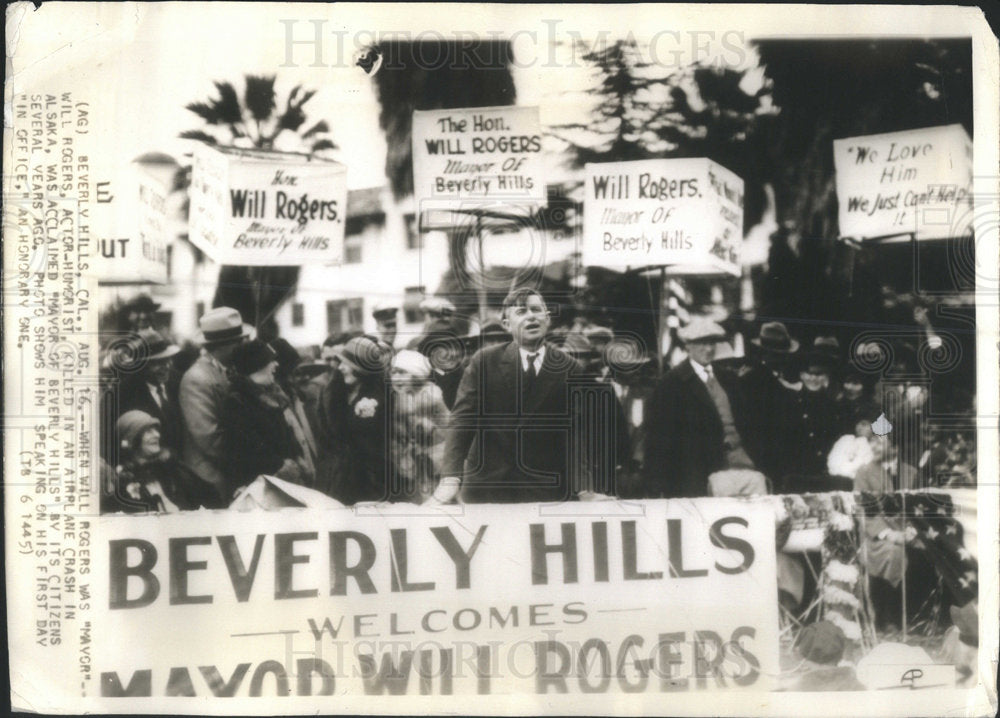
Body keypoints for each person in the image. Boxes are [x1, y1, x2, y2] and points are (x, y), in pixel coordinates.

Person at [432, 288, 618, 504]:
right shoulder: (485, 361)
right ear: (506, 324)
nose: (531, 316)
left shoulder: (569, 368)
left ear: (547, 319)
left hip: (543, 489)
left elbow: (574, 433)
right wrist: (450, 480)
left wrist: (585, 490)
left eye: (537, 310)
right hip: (486, 487)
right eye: (521, 311)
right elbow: (462, 421)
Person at [643, 318, 755, 498]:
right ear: (688, 346)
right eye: (702, 343)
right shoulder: (672, 383)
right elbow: (659, 437)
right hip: (697, 474)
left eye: (712, 343)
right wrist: (657, 484)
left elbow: (746, 422)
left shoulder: (728, 379)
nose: (709, 349)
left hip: (742, 466)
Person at [179, 306, 252, 504]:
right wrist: (249, 459)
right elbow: (210, 439)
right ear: (222, 345)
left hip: (228, 474)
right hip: (209, 479)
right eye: (238, 341)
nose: (243, 345)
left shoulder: (228, 370)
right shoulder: (197, 379)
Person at [222, 339, 313, 494]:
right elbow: (246, 450)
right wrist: (280, 465)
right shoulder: (237, 402)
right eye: (271, 361)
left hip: (282, 483)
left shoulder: (272, 395)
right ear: (256, 365)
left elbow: (286, 434)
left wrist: (297, 457)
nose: (276, 365)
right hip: (260, 487)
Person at [316, 335, 391, 504]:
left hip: (369, 486)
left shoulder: (379, 398)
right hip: (333, 482)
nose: (340, 368)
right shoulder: (331, 395)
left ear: (361, 368)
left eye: (346, 363)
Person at [102, 410, 219, 513]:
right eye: (148, 431)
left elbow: (211, 497)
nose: (157, 435)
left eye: (156, 430)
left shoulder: (173, 469)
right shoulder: (121, 482)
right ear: (132, 439)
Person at [738, 321, 803, 489]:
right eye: (775, 355)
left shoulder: (782, 377)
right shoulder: (753, 380)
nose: (780, 358)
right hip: (765, 457)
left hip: (781, 456)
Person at [388, 350, 449, 503]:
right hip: (414, 454)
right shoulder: (398, 397)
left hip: (437, 453)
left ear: (417, 375)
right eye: (393, 373)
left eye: (402, 373)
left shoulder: (430, 395)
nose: (396, 378)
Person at [783, 350, 843, 492]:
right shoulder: (789, 403)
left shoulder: (834, 405)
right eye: (809, 374)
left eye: (819, 374)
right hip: (797, 475)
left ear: (826, 376)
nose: (814, 378)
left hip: (827, 475)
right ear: (801, 375)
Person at [115, 329, 183, 454]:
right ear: (140, 366)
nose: (167, 367)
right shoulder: (123, 394)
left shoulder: (176, 382)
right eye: (158, 363)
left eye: (168, 360)